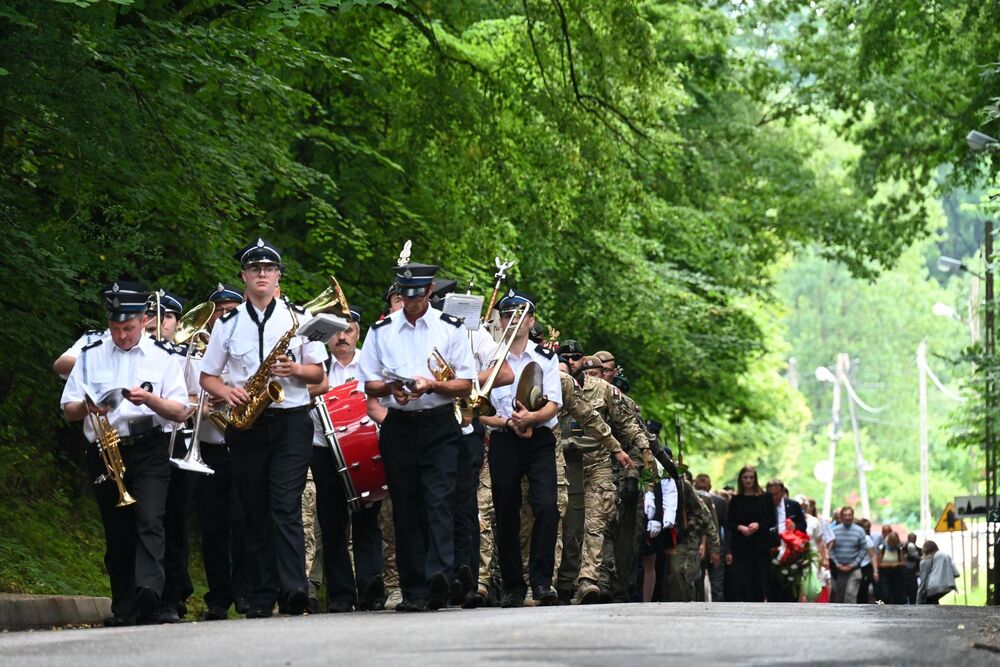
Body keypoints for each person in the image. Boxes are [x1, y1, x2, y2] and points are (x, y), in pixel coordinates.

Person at [200, 238, 328, 618]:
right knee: (252, 508)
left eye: (268, 269)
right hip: (246, 423)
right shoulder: (227, 324)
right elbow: (208, 376)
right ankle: (257, 594)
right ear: (243, 275)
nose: (261, 274)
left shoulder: (301, 319)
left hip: (290, 420)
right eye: (254, 268)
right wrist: (227, 391)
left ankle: (293, 590)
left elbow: (319, 373)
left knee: (284, 504)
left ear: (278, 277)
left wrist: (295, 370)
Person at [60, 280, 190, 626]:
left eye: (129, 328)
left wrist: (150, 400)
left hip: (149, 445)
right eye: (116, 328)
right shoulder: (91, 354)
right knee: (117, 529)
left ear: (144, 320)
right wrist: (89, 406)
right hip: (105, 447)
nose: (121, 336)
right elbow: (68, 408)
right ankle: (124, 606)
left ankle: (149, 591)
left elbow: (180, 410)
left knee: (150, 518)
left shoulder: (163, 357)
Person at [358, 261, 475, 611]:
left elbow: (465, 383)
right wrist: (393, 386)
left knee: (439, 500)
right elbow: (370, 383)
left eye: (416, 295)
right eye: (403, 295)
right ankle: (413, 589)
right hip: (399, 424)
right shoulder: (381, 330)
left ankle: (439, 577)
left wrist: (433, 384)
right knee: (406, 506)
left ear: (429, 292)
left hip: (439, 422)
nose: (409, 302)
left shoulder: (450, 328)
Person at [478, 290, 563, 608]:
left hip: (539, 438)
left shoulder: (545, 357)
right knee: (505, 510)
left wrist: (531, 418)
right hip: (504, 437)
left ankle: (541, 582)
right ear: (500, 321)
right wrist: (508, 424)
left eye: (519, 315)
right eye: (506, 315)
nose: (512, 320)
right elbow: (479, 408)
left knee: (546, 507)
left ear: (530, 320)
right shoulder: (490, 358)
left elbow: (554, 403)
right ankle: (513, 585)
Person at [309, 305, 385, 612]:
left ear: (358, 332)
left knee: (368, 521)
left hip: (366, 448)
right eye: (337, 332)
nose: (342, 337)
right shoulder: (317, 365)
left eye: (349, 330)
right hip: (322, 448)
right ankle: (340, 594)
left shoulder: (371, 361)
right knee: (331, 522)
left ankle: (370, 588)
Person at [193, 283, 248, 620]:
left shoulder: (246, 349)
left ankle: (245, 592)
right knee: (212, 527)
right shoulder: (197, 352)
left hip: (242, 445)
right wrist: (207, 403)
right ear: (211, 316)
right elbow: (183, 399)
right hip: (209, 447)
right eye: (220, 309)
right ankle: (217, 598)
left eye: (231, 308)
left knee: (243, 523)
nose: (225, 314)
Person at [726, 465, 775, 602]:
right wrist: (741, 527)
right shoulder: (736, 499)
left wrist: (758, 525)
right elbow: (729, 522)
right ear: (741, 479)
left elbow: (771, 520)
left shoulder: (765, 498)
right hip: (741, 544)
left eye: (751, 477)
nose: (748, 480)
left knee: (760, 576)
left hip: (760, 544)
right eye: (745, 477)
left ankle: (759, 601)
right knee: (743, 576)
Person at [765, 479, 806, 602]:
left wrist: (794, 527)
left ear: (782, 492)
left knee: (790, 590)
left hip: (790, 551)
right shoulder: (764, 507)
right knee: (772, 589)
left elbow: (803, 525)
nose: (773, 498)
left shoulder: (793, 506)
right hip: (771, 552)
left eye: (776, 494)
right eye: (770, 495)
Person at [694, 473, 728, 602]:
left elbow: (723, 526)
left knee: (717, 586)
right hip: (697, 547)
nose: (702, 488)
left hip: (715, 547)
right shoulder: (691, 499)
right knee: (697, 582)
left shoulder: (720, 502)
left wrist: (722, 549)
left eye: (705, 485)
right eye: (699, 485)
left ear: (710, 486)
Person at [829, 506, 868, 603]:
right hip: (839, 569)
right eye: (845, 515)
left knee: (850, 595)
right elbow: (830, 549)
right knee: (839, 596)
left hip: (854, 569)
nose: (847, 517)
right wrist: (837, 564)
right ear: (841, 517)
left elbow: (864, 549)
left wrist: (854, 564)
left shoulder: (859, 531)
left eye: (850, 515)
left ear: (853, 516)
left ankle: (852, 617)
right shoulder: (834, 531)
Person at [877, 531, 905, 604]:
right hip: (884, 574)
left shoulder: (899, 550)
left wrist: (897, 564)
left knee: (896, 593)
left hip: (896, 573)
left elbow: (903, 563)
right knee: (885, 593)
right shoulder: (882, 549)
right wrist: (892, 564)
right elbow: (879, 564)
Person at [903, 533, 922, 604]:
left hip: (914, 572)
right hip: (906, 572)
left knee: (914, 589)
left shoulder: (919, 550)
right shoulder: (904, 548)